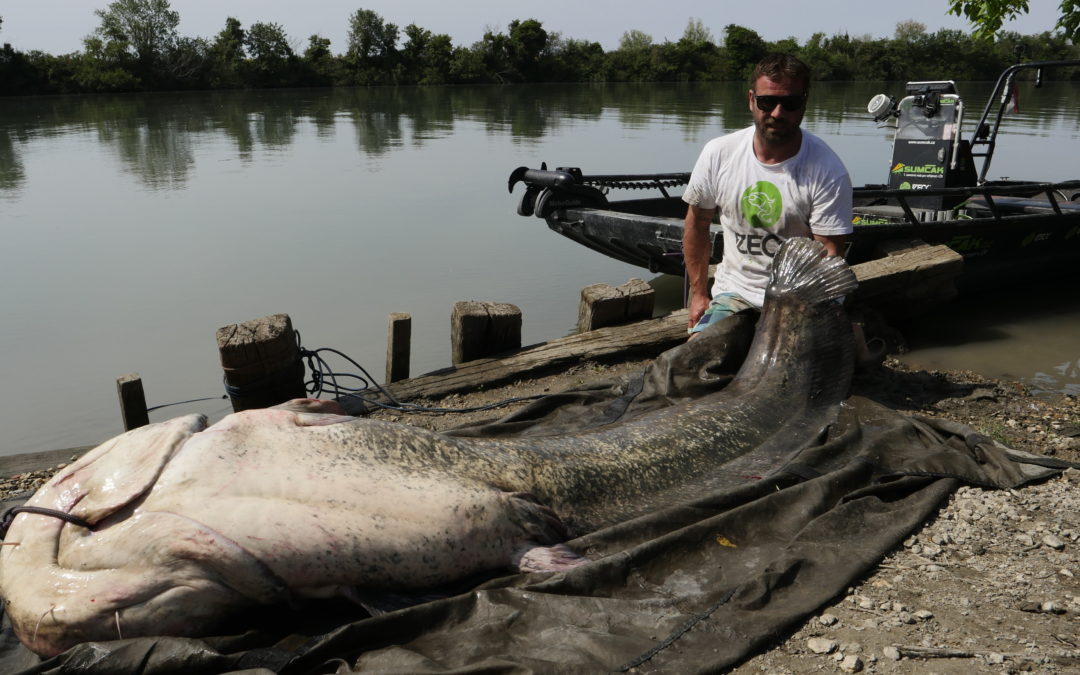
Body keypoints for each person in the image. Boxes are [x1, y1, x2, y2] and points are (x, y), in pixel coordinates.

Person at [681, 53, 881, 366]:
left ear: (804, 103)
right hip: (735, 292)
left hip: (802, 300)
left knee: (799, 375)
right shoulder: (719, 153)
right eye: (766, 102)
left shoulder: (827, 169)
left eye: (790, 104)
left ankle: (849, 335)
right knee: (694, 360)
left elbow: (828, 254)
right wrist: (699, 294)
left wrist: (787, 321)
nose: (777, 113)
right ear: (751, 100)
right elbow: (696, 224)